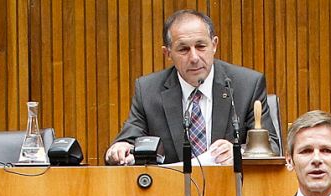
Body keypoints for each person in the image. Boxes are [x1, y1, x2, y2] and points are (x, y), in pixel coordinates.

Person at [103, 9, 277, 167]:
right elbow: (127, 141)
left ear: (214, 45)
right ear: (168, 53)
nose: (194, 57)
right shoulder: (148, 90)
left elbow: (273, 147)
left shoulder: (246, 85)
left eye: (201, 46)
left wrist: (238, 153)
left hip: (231, 190)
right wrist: (121, 149)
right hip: (170, 193)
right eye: (184, 49)